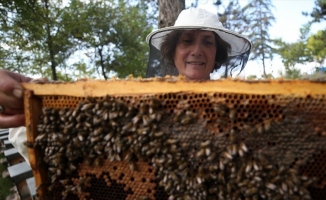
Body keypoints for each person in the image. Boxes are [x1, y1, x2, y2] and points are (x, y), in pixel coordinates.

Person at [0, 7, 251, 164]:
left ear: (217, 53)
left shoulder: (242, 105)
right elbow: (89, 118)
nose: (197, 50)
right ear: (173, 51)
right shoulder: (140, 99)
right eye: (187, 41)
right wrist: (36, 102)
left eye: (207, 42)